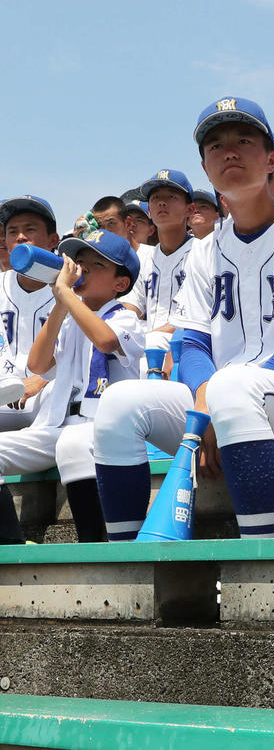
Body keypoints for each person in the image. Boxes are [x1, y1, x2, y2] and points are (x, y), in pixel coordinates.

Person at [93, 96, 274, 540]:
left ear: (271, 160)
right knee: (119, 404)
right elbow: (193, 343)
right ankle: (128, 558)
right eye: (216, 145)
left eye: (243, 140)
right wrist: (205, 406)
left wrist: (220, 402)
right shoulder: (205, 249)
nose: (229, 151)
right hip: (224, 404)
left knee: (233, 386)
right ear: (205, 167)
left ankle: (257, 555)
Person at [0, 228, 143, 545]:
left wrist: (67, 294)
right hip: (57, 424)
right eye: (81, 262)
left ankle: (92, 544)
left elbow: (105, 341)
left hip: (102, 428)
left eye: (97, 265)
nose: (83, 270)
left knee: (73, 443)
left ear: (120, 284)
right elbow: (38, 365)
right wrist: (61, 304)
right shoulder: (69, 320)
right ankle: (11, 544)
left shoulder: (124, 318)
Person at [123, 170, 197, 372]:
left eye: (171, 197)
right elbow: (130, 308)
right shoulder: (143, 258)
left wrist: (144, 337)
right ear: (149, 210)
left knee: (151, 342)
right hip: (150, 341)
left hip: (188, 340)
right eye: (155, 198)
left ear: (190, 209)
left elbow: (191, 318)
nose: (162, 203)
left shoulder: (202, 252)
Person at [0, 197, 59, 430]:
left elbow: (83, 355)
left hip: (47, 395)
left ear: (53, 240)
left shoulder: (73, 288)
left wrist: (44, 379)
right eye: (12, 231)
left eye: (30, 229)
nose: (20, 237)